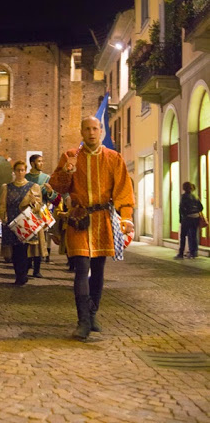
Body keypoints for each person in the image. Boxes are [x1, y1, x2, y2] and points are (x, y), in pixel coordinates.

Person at [49, 116, 134, 341]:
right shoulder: (71, 156)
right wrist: (67, 171)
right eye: (87, 129)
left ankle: (93, 312)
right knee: (81, 268)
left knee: (98, 271)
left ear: (101, 131)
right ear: (81, 131)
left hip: (103, 219)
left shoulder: (114, 158)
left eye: (95, 128)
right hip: (79, 219)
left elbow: (124, 189)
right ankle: (83, 321)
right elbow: (57, 186)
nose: (91, 132)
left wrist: (126, 217)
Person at [0, 160, 45, 286]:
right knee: (14, 251)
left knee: (24, 251)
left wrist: (34, 202)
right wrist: (3, 218)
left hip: (25, 223)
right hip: (11, 223)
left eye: (22, 170)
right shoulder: (7, 187)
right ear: (14, 171)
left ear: (25, 171)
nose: (20, 172)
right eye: (18, 170)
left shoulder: (33, 187)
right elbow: (2, 205)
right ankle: (19, 275)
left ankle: (22, 276)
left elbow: (38, 207)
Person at [26, 154, 58, 269]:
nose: (41, 163)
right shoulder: (26, 178)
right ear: (33, 164)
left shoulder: (46, 178)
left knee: (41, 240)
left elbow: (53, 198)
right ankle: (28, 264)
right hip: (28, 213)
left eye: (42, 161)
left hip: (40, 214)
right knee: (28, 240)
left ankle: (37, 268)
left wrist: (50, 192)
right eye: (39, 161)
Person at [174, 182, 202, 260]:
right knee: (193, 235)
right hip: (195, 218)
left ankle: (181, 253)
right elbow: (201, 207)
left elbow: (181, 208)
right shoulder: (195, 196)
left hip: (187, 218)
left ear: (184, 188)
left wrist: (182, 218)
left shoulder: (184, 196)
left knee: (183, 236)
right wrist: (195, 211)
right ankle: (193, 253)